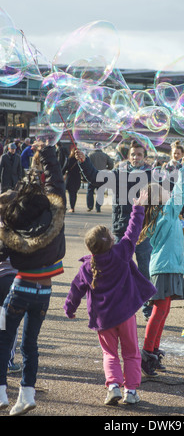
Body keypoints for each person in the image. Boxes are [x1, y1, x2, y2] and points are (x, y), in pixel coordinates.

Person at [64, 191, 156, 406]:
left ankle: (113, 386)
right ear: (112, 240)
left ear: (90, 247)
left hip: (103, 320)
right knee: (132, 353)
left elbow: (74, 290)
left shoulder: (86, 267)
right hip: (125, 315)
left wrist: (70, 308)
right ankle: (131, 391)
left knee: (110, 354)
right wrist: (138, 207)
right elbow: (133, 232)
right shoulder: (122, 252)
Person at [0, 141, 66, 416]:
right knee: (30, 344)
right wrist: (49, 152)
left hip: (20, 288)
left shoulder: (13, 221)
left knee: (4, 338)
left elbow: (4, 252)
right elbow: (57, 183)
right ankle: (27, 393)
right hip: (44, 292)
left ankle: (1, 391)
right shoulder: (54, 213)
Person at [138, 140, 184, 376]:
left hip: (169, 266)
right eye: (165, 192)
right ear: (159, 200)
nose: (169, 192)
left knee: (163, 312)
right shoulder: (166, 213)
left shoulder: (163, 215)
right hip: (165, 268)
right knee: (158, 312)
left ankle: (153, 351)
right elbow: (181, 191)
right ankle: (147, 353)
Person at [75, 139, 154, 320]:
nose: (135, 158)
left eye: (139, 154)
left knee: (144, 271)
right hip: (121, 230)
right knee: (118, 271)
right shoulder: (119, 173)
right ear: (128, 156)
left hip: (143, 231)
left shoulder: (151, 175)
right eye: (133, 154)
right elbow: (95, 177)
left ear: (145, 157)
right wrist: (84, 162)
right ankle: (121, 307)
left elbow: (169, 190)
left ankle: (147, 310)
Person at [86, 144, 114, 212]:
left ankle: (90, 206)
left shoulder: (90, 155)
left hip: (92, 175)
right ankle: (98, 207)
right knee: (100, 192)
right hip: (102, 175)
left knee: (90, 191)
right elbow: (111, 164)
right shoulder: (105, 155)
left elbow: (87, 165)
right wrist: (106, 169)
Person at [63, 146, 82, 213]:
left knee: (70, 193)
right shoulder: (80, 160)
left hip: (70, 178)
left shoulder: (69, 159)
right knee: (74, 193)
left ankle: (71, 207)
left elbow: (64, 168)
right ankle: (72, 207)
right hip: (77, 177)